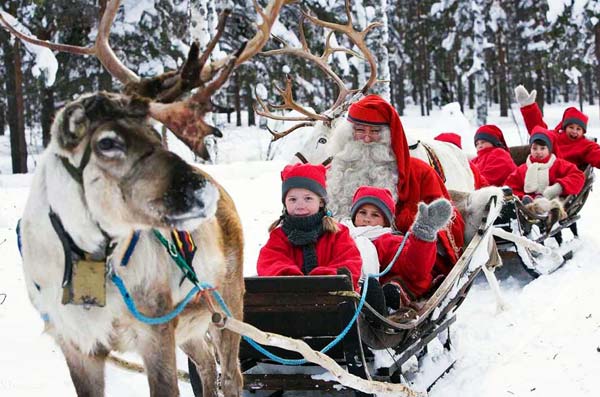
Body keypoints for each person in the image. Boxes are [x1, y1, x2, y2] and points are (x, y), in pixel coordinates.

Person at [326, 95, 465, 277]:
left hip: (397, 262)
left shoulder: (420, 173)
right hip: (337, 262)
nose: (367, 138)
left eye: (375, 131)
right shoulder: (332, 172)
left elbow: (448, 222)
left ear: (389, 136)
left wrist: (410, 222)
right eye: (359, 130)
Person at [345, 186, 453, 310]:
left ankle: (386, 304)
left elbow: (414, 267)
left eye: (375, 215)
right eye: (362, 212)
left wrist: (423, 237)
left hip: (377, 289)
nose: (367, 219)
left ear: (385, 221)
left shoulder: (388, 241)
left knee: (391, 287)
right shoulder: (343, 234)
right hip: (345, 284)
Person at [256, 163, 362, 290]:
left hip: (332, 297)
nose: (300, 205)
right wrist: (291, 279)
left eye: (308, 198)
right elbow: (270, 261)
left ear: (321, 202)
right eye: (293, 199)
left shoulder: (337, 233)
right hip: (290, 298)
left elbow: (349, 261)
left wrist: (320, 279)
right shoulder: (279, 236)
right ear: (285, 203)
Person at [515, 85, 600, 170]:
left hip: (566, 174)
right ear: (565, 127)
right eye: (571, 127)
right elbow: (539, 131)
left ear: (583, 131)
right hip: (543, 169)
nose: (574, 131)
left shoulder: (585, 145)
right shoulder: (555, 136)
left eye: (578, 129)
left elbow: (596, 154)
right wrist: (529, 107)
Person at [504, 126, 585, 203]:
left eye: (542, 148)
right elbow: (510, 186)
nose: (538, 152)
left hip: (553, 201)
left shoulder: (558, 164)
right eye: (534, 148)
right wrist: (521, 197)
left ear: (549, 149)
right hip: (527, 205)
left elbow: (578, 176)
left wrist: (558, 187)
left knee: (550, 205)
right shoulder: (523, 169)